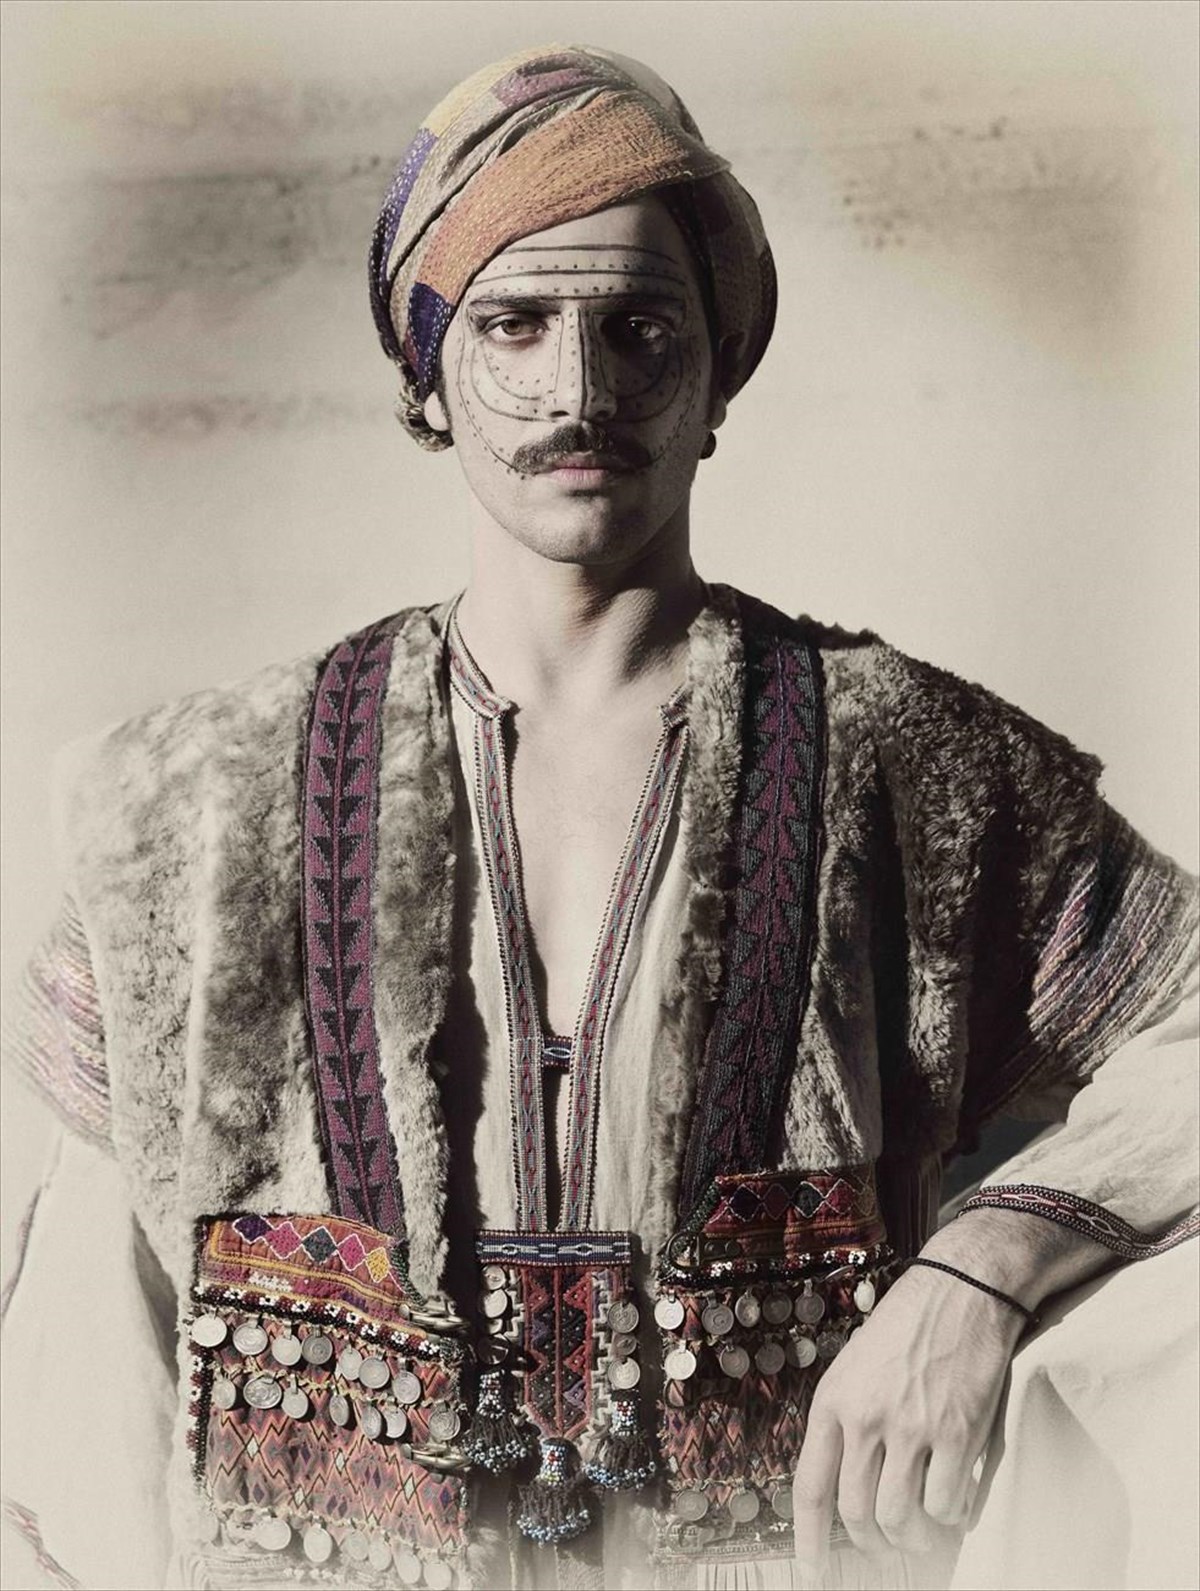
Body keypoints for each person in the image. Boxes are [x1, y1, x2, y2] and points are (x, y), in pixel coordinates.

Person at [3, 43, 1196, 1591]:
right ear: (427, 373)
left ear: (719, 373)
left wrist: (984, 1268)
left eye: (640, 328)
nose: (580, 393)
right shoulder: (197, 806)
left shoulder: (905, 757)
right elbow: (81, 1357)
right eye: (513, 325)